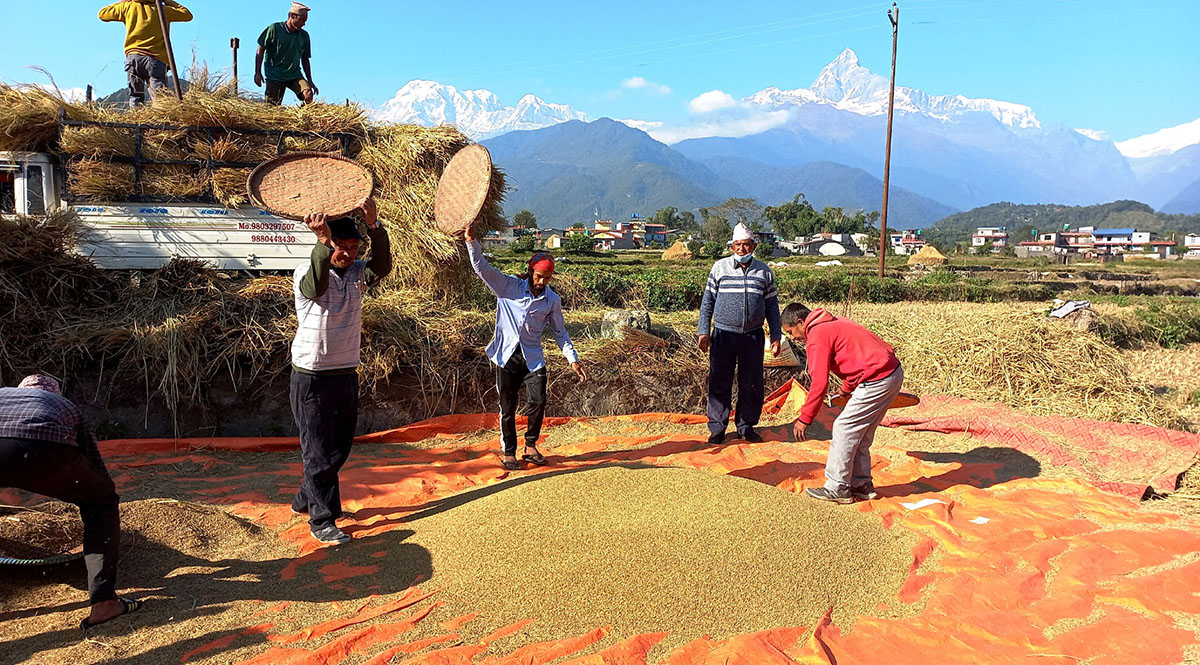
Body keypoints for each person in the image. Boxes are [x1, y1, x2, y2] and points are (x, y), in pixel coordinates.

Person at [0, 374, 141, 628]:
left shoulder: (2, 395)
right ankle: (104, 604)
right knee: (101, 502)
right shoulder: (61, 404)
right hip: (43, 444)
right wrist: (93, 489)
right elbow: (91, 459)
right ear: (53, 393)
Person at [290, 197, 390, 545]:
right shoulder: (308, 272)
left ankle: (306, 497)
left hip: (345, 372)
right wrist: (321, 244)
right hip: (312, 376)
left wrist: (374, 226)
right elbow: (315, 288)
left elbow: (384, 266)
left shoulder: (359, 274)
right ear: (327, 245)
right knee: (316, 450)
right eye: (340, 247)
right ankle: (323, 520)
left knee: (340, 448)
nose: (347, 253)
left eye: (352, 247)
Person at [464, 226, 587, 470]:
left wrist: (572, 359)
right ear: (530, 272)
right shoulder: (508, 287)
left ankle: (530, 446)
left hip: (532, 357)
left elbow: (560, 333)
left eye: (547, 278)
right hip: (507, 356)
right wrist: (471, 242)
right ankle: (509, 452)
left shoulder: (551, 300)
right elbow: (482, 269)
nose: (542, 282)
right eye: (539, 276)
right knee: (507, 408)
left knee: (539, 400)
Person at [782, 302, 904, 504]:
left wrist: (805, 418)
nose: (793, 338)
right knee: (861, 433)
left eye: (791, 331)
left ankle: (837, 486)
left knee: (843, 428)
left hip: (877, 378)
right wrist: (846, 389)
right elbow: (855, 357)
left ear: (801, 322)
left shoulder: (817, 336)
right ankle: (861, 485)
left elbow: (819, 383)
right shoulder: (831, 323)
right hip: (892, 373)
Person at [697, 223, 782, 445]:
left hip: (752, 336)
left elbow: (772, 306)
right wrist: (703, 332)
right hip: (723, 335)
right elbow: (707, 303)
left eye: (745, 245)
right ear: (732, 246)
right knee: (719, 381)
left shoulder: (763, 271)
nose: (741, 249)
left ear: (753, 246)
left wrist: (776, 336)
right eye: (737, 245)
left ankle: (746, 426)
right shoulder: (719, 268)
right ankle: (717, 428)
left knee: (751, 382)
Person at [98, 0, 193, 108]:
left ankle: (136, 121)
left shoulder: (128, 6)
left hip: (134, 58)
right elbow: (187, 14)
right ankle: (162, 123)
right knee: (160, 99)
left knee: (135, 97)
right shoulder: (163, 10)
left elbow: (102, 13)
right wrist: (167, 1)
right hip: (156, 59)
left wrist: (125, 1)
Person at [256, 2, 317, 106]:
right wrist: (257, 72)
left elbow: (305, 59)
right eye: (302, 20)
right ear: (292, 16)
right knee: (271, 110)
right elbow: (260, 50)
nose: (304, 24)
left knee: (308, 94)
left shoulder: (304, 36)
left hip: (294, 75)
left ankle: (300, 118)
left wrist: (310, 80)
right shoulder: (274, 29)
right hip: (274, 75)